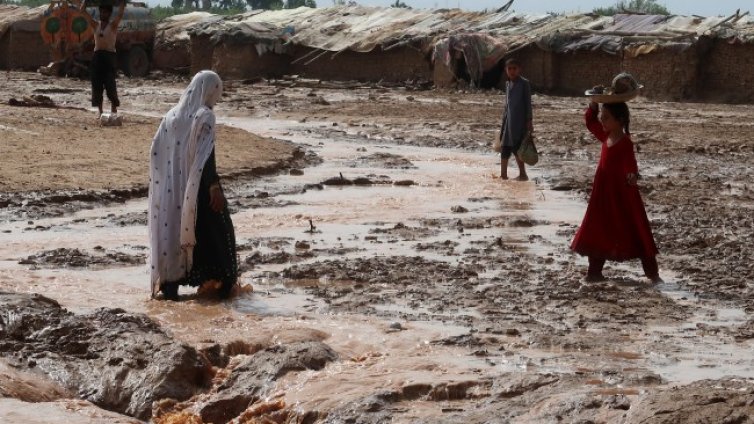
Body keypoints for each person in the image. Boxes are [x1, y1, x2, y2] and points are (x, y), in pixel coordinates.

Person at [148, 70, 238, 300]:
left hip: (173, 191)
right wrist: (214, 187)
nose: (216, 99)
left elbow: (156, 150)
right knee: (220, 232)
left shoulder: (170, 117)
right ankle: (225, 286)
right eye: (216, 92)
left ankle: (170, 288)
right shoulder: (204, 116)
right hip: (199, 189)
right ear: (209, 91)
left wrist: (168, 181)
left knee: (174, 232)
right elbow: (205, 157)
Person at [570, 97, 661, 283]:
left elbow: (631, 165)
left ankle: (652, 274)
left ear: (619, 120)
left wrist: (632, 176)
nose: (602, 121)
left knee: (637, 229)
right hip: (602, 195)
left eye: (606, 118)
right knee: (597, 228)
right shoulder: (606, 136)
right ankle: (594, 272)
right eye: (602, 117)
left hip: (622, 195)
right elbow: (590, 122)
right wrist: (593, 105)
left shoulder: (625, 143)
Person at [80, 0, 125, 115]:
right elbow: (82, 12)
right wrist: (85, 2)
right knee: (97, 85)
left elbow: (120, 14)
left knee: (110, 84)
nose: (103, 14)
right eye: (101, 12)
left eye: (105, 12)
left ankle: (114, 110)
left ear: (109, 14)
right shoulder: (96, 25)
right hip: (98, 57)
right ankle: (100, 111)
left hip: (109, 57)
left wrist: (122, 3)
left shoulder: (113, 26)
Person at [498, 57, 533, 180]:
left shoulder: (524, 84)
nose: (512, 71)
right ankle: (503, 176)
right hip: (508, 122)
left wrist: (529, 120)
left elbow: (528, 103)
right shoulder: (508, 84)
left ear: (519, 70)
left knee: (517, 148)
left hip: (519, 122)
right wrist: (503, 123)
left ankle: (523, 174)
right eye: (509, 68)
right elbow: (506, 105)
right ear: (506, 70)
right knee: (504, 148)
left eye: (514, 68)